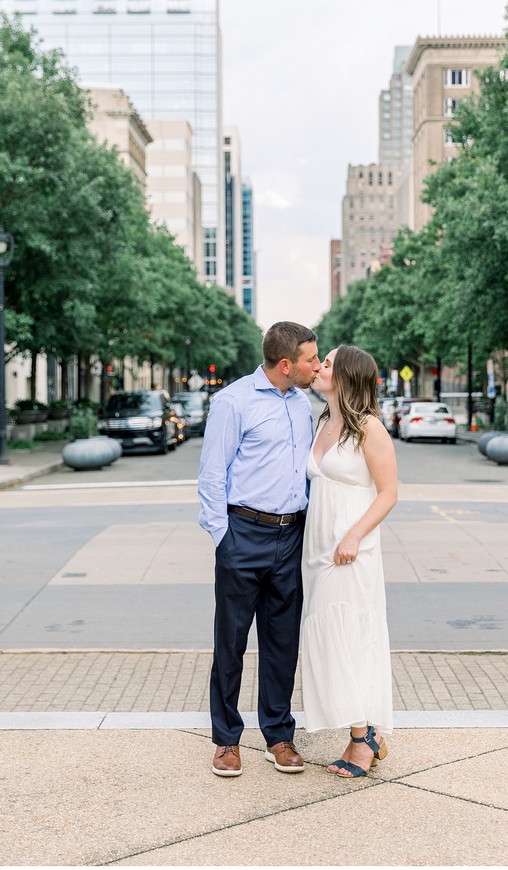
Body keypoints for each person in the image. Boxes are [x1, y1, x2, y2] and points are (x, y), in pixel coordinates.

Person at [198, 321, 321, 777]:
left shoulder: (303, 403)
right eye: (311, 358)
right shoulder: (233, 401)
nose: (317, 364)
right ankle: (227, 740)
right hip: (242, 534)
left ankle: (278, 735)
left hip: (291, 537)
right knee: (230, 643)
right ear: (286, 364)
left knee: (282, 643)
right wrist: (222, 537)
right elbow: (213, 473)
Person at [301, 344, 397, 778]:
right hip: (317, 550)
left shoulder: (370, 428)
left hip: (351, 551)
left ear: (346, 376)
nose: (319, 367)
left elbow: (389, 493)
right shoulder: (322, 421)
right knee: (325, 639)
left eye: (327, 363)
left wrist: (355, 535)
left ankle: (362, 740)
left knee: (348, 638)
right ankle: (364, 732)